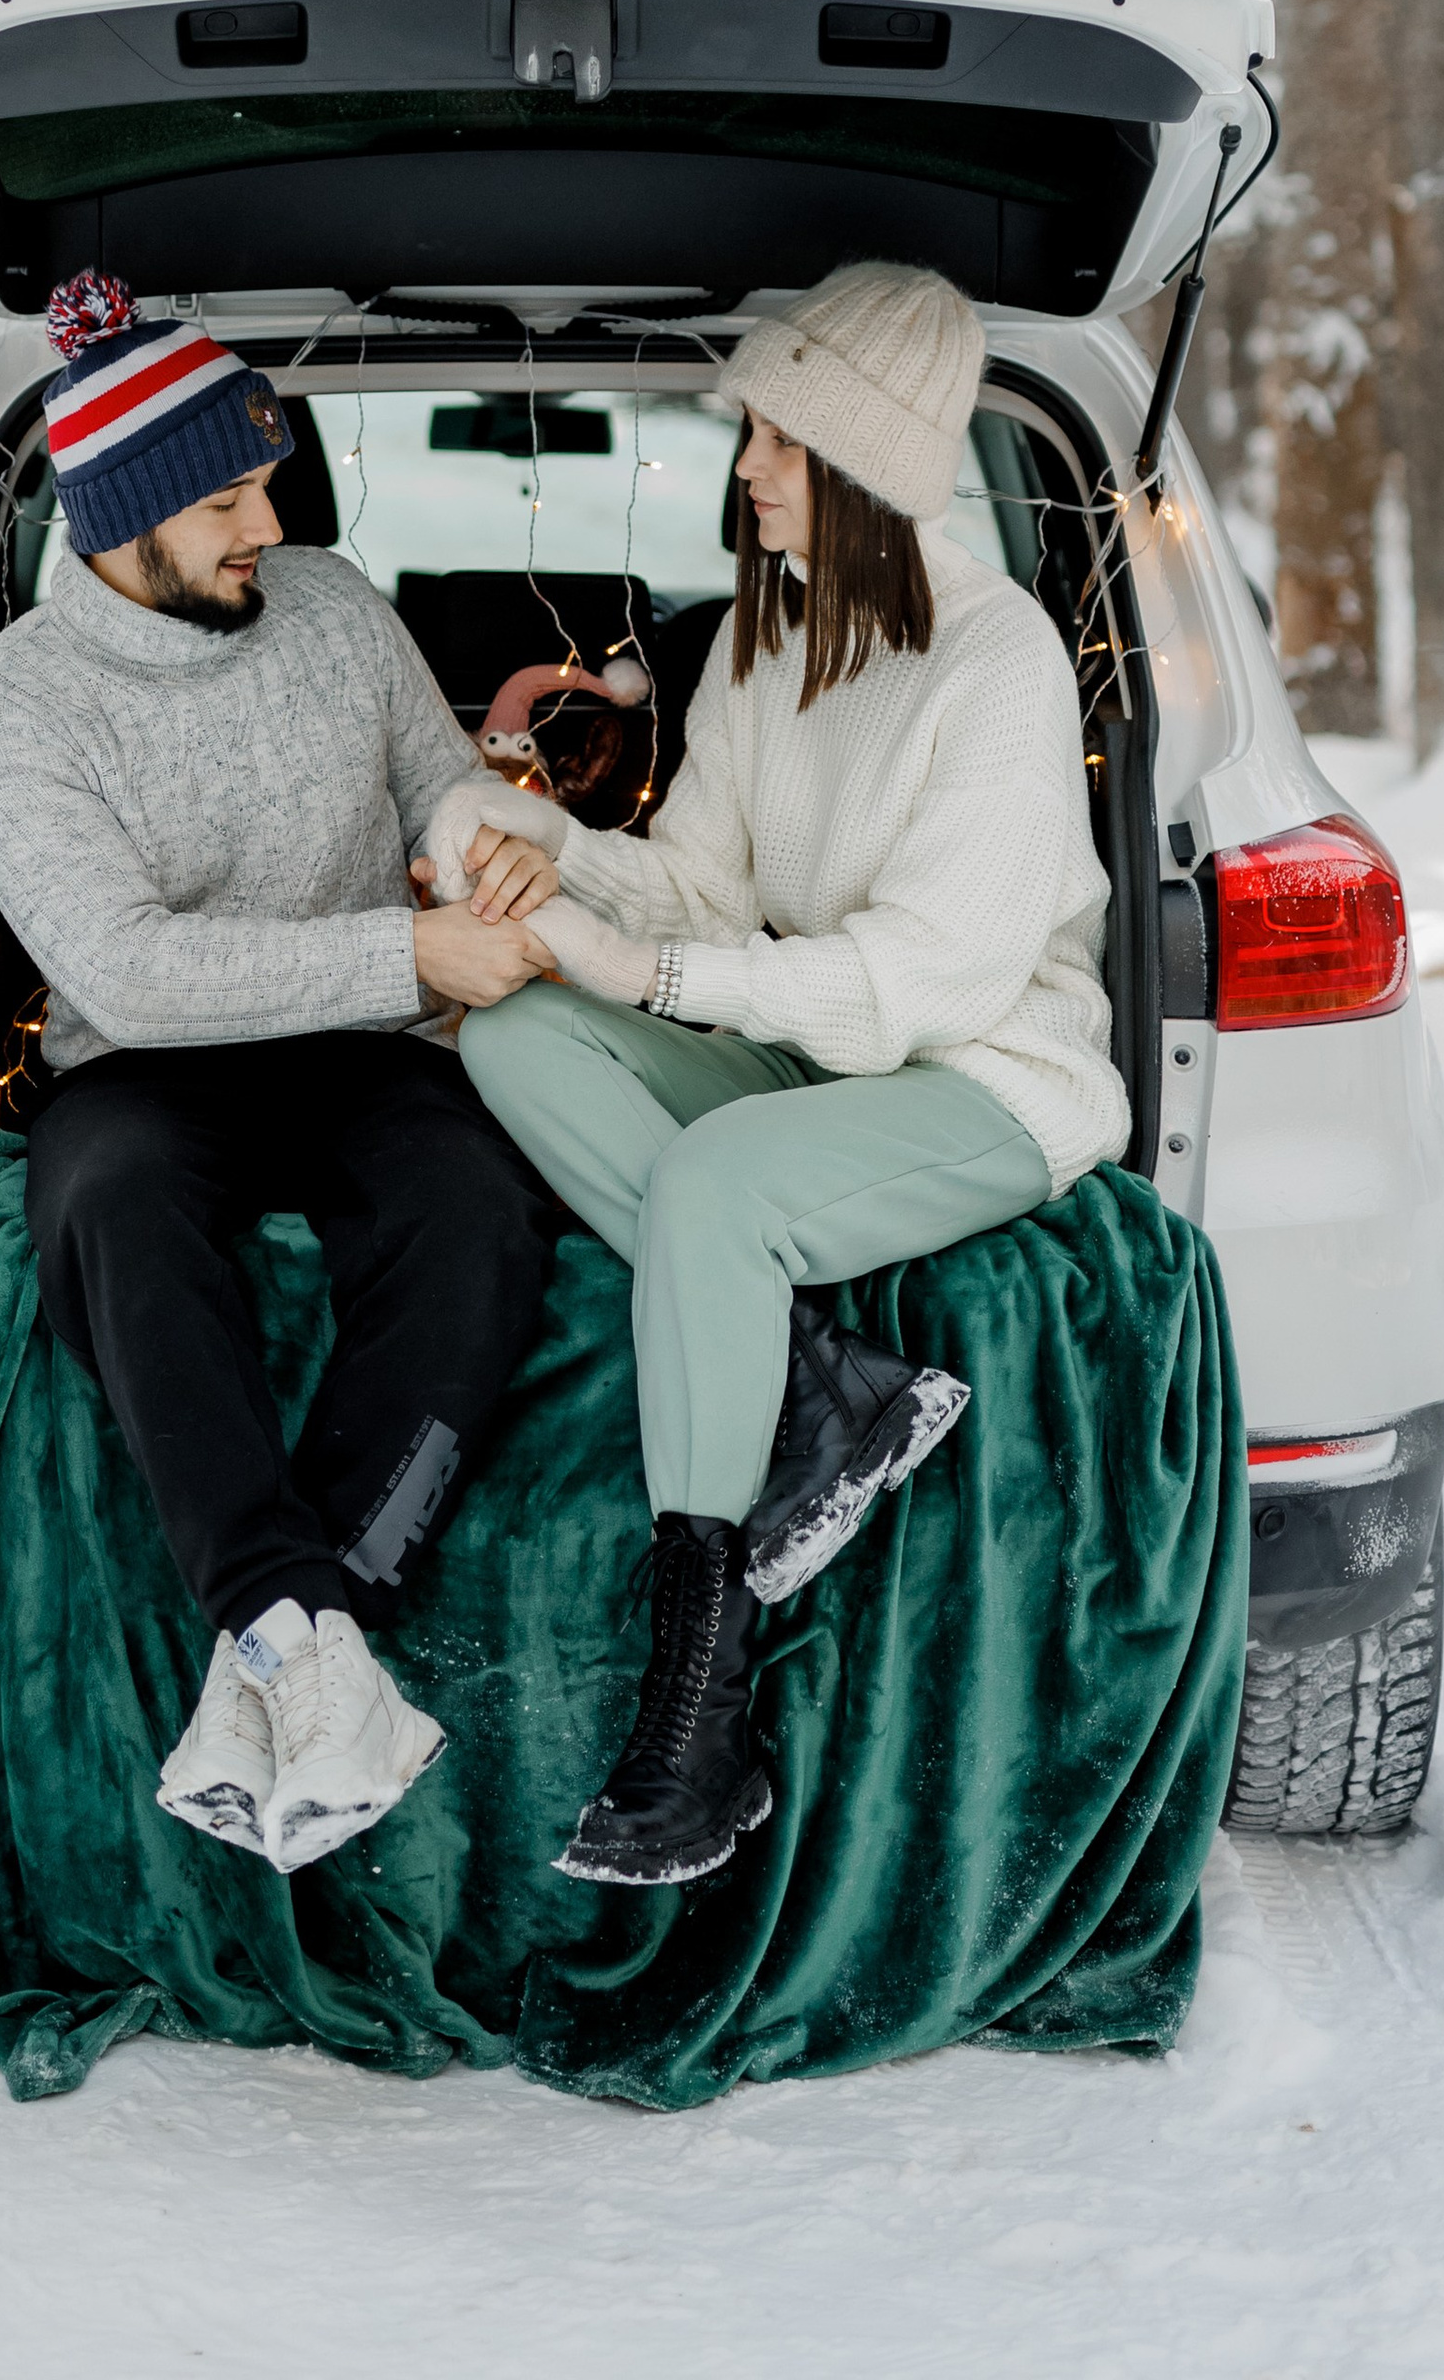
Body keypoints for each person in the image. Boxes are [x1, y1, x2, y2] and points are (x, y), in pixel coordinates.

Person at [445, 262, 1128, 1890]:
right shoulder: (772, 634)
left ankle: (699, 1718)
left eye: (775, 435)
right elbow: (693, 883)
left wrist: (659, 977)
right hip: (813, 1036)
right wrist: (532, 844)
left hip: (986, 1071)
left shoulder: (999, 660)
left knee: (720, 1182)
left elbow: (923, 981)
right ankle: (827, 1390)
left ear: (867, 465)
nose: (744, 464)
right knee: (508, 1030)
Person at [0, 272, 557, 1879]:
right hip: (149, 1066)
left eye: (266, 484)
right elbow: (129, 968)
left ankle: (294, 1639)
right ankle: (300, 1629)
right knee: (112, 1205)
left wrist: (473, 858)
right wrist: (407, 956)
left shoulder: (337, 606)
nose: (266, 522)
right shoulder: (7, 713)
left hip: (364, 1055)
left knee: (477, 1208)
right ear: (119, 516)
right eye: (223, 498)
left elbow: (435, 780)